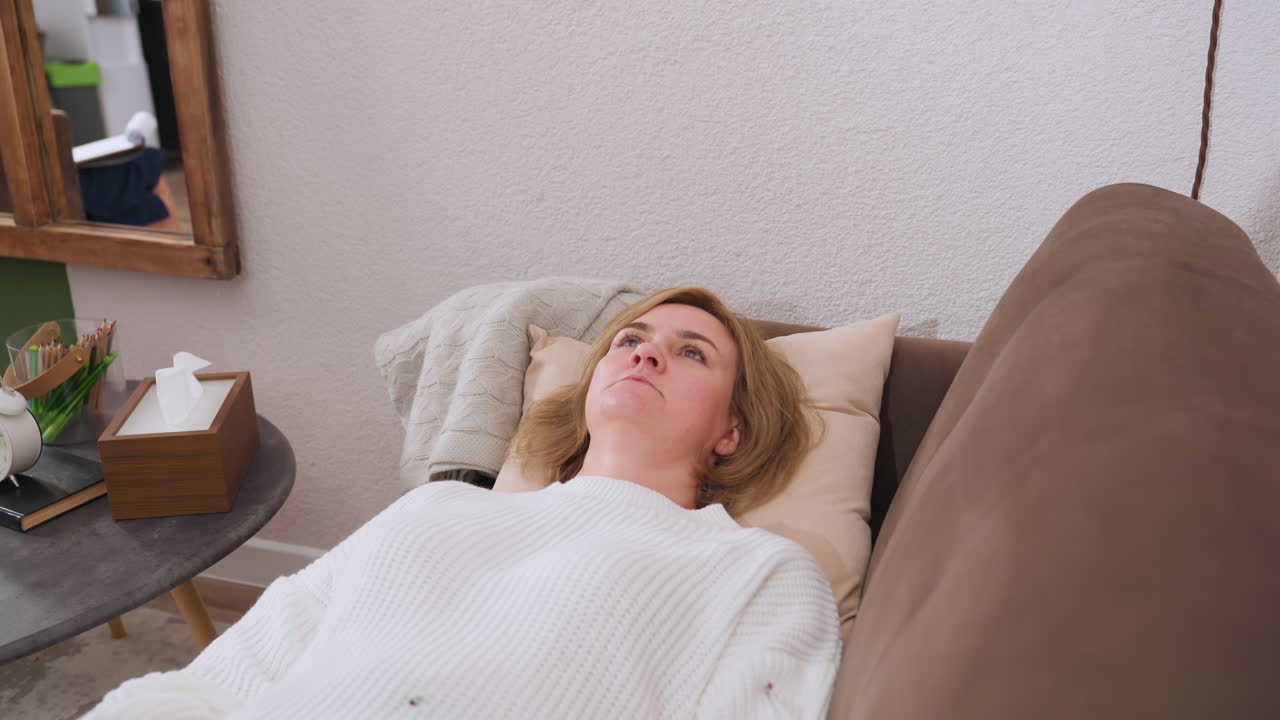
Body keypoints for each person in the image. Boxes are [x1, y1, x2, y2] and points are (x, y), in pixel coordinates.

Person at [85, 287, 842, 719]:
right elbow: (223, 680)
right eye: (631, 339)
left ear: (732, 431)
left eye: (691, 352)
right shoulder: (441, 510)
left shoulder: (756, 570)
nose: (645, 352)